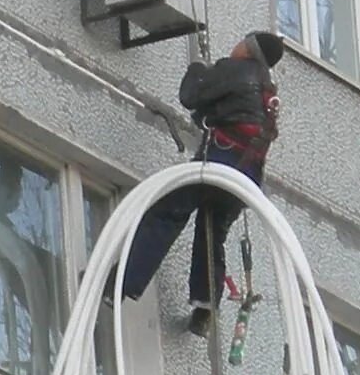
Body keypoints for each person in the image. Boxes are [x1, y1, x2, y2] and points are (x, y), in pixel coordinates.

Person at [119, 29, 286, 333]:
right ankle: (205, 307)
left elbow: (191, 96)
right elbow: (220, 112)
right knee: (212, 232)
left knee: (167, 212)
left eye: (240, 41)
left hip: (220, 161)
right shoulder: (267, 90)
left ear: (248, 49)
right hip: (244, 180)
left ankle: (120, 284)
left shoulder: (236, 70)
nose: (234, 44)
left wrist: (196, 68)